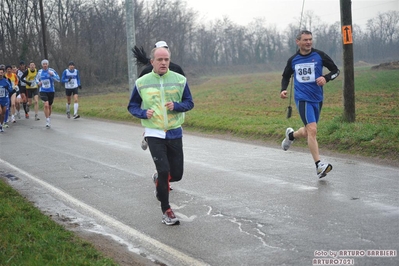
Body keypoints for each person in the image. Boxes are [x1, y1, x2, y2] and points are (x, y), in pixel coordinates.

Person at [127, 47, 194, 225]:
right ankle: (166, 210)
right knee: (164, 170)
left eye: (166, 59)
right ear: (152, 62)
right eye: (160, 60)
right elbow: (132, 106)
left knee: (177, 174)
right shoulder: (142, 82)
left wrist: (177, 106)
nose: (163, 63)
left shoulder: (180, 80)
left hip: (174, 131)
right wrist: (142, 113)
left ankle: (159, 180)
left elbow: (189, 103)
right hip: (154, 132)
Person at [280, 30, 340, 179]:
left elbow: (335, 70)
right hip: (302, 99)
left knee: (308, 131)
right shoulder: (293, 60)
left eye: (310, 40)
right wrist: (283, 89)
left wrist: (326, 78)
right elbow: (286, 75)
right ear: (298, 42)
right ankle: (319, 166)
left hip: (317, 98)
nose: (308, 42)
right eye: (305, 40)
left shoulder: (319, 55)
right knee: (312, 130)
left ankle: (291, 135)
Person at [133, 41, 186, 151]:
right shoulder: (147, 71)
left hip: (171, 105)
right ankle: (148, 135)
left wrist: (180, 104)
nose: (163, 62)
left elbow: (183, 86)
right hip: (155, 103)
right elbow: (140, 88)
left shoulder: (176, 69)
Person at [36, 59, 60, 128]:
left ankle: (48, 117)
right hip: (43, 90)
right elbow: (36, 79)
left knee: (49, 106)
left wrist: (52, 75)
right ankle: (47, 120)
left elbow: (58, 79)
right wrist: (38, 83)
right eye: (44, 64)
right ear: (42, 65)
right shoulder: (40, 72)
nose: (45, 65)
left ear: (48, 64)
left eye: (46, 64)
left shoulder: (52, 71)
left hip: (51, 90)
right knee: (46, 105)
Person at [0, 68, 15, 132]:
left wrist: (14, 90)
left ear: (3, 73)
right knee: (0, 112)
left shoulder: (6, 81)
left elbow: (10, 90)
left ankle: (1, 125)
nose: (0, 74)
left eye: (1, 72)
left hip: (4, 99)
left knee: (3, 114)